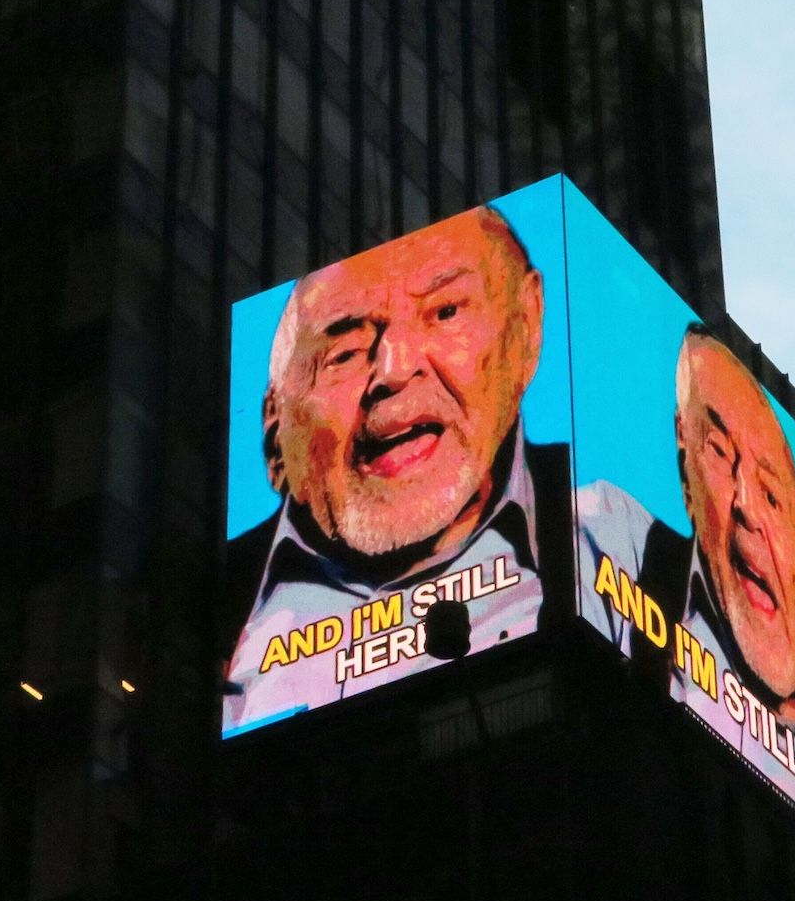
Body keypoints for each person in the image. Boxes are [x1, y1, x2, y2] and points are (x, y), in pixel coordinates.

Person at [578, 326, 795, 892]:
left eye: (774, 494)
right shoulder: (615, 544)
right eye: (719, 454)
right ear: (685, 477)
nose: (747, 506)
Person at [222, 206, 567, 736]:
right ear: (275, 426)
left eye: (446, 311)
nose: (395, 368)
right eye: (344, 352)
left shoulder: (620, 540)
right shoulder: (207, 609)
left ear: (526, 324)